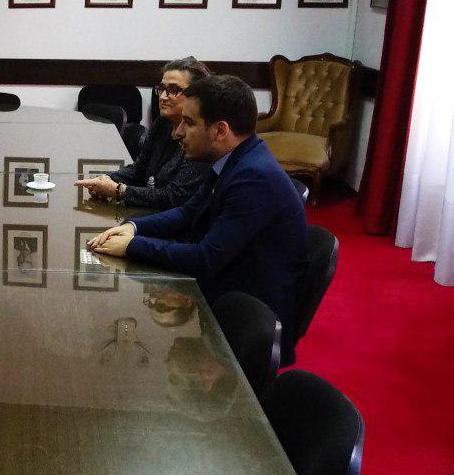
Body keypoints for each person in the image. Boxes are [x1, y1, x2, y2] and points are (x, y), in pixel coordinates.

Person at [88, 75, 307, 330]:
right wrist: (133, 227)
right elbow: (188, 212)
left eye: (189, 123)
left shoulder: (254, 179)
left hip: (246, 316)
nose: (178, 132)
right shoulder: (233, 159)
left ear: (220, 131)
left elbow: (205, 258)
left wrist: (132, 246)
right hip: (226, 288)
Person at [74, 57, 210, 209]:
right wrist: (104, 180)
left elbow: (174, 197)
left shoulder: (202, 139)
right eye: (161, 89)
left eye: (173, 90)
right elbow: (139, 170)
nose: (163, 97)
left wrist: (119, 190)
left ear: (196, 95)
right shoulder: (162, 123)